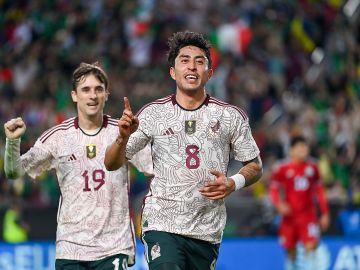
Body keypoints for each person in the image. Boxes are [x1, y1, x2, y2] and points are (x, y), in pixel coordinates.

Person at [104, 31, 263, 270]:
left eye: (200, 61)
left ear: (209, 73)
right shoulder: (152, 114)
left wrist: (233, 183)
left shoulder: (230, 116)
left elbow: (255, 165)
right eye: (185, 60)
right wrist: (122, 138)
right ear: (172, 72)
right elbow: (111, 163)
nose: (192, 67)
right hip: (162, 222)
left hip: (207, 230)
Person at [3, 62, 153, 270]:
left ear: (106, 94)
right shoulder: (57, 138)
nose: (92, 95)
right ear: (74, 95)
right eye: (85, 89)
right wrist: (12, 142)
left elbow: (158, 167)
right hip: (71, 248)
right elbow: (14, 171)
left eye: (98, 89)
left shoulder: (122, 131)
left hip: (113, 247)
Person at [269, 136, 330, 270]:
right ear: (292, 150)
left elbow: (319, 191)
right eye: (300, 147)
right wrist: (279, 204)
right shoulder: (282, 168)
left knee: (311, 247)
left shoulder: (313, 167)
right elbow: (273, 190)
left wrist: (325, 213)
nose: (304, 149)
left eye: (305, 146)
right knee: (291, 253)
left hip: (308, 216)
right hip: (289, 217)